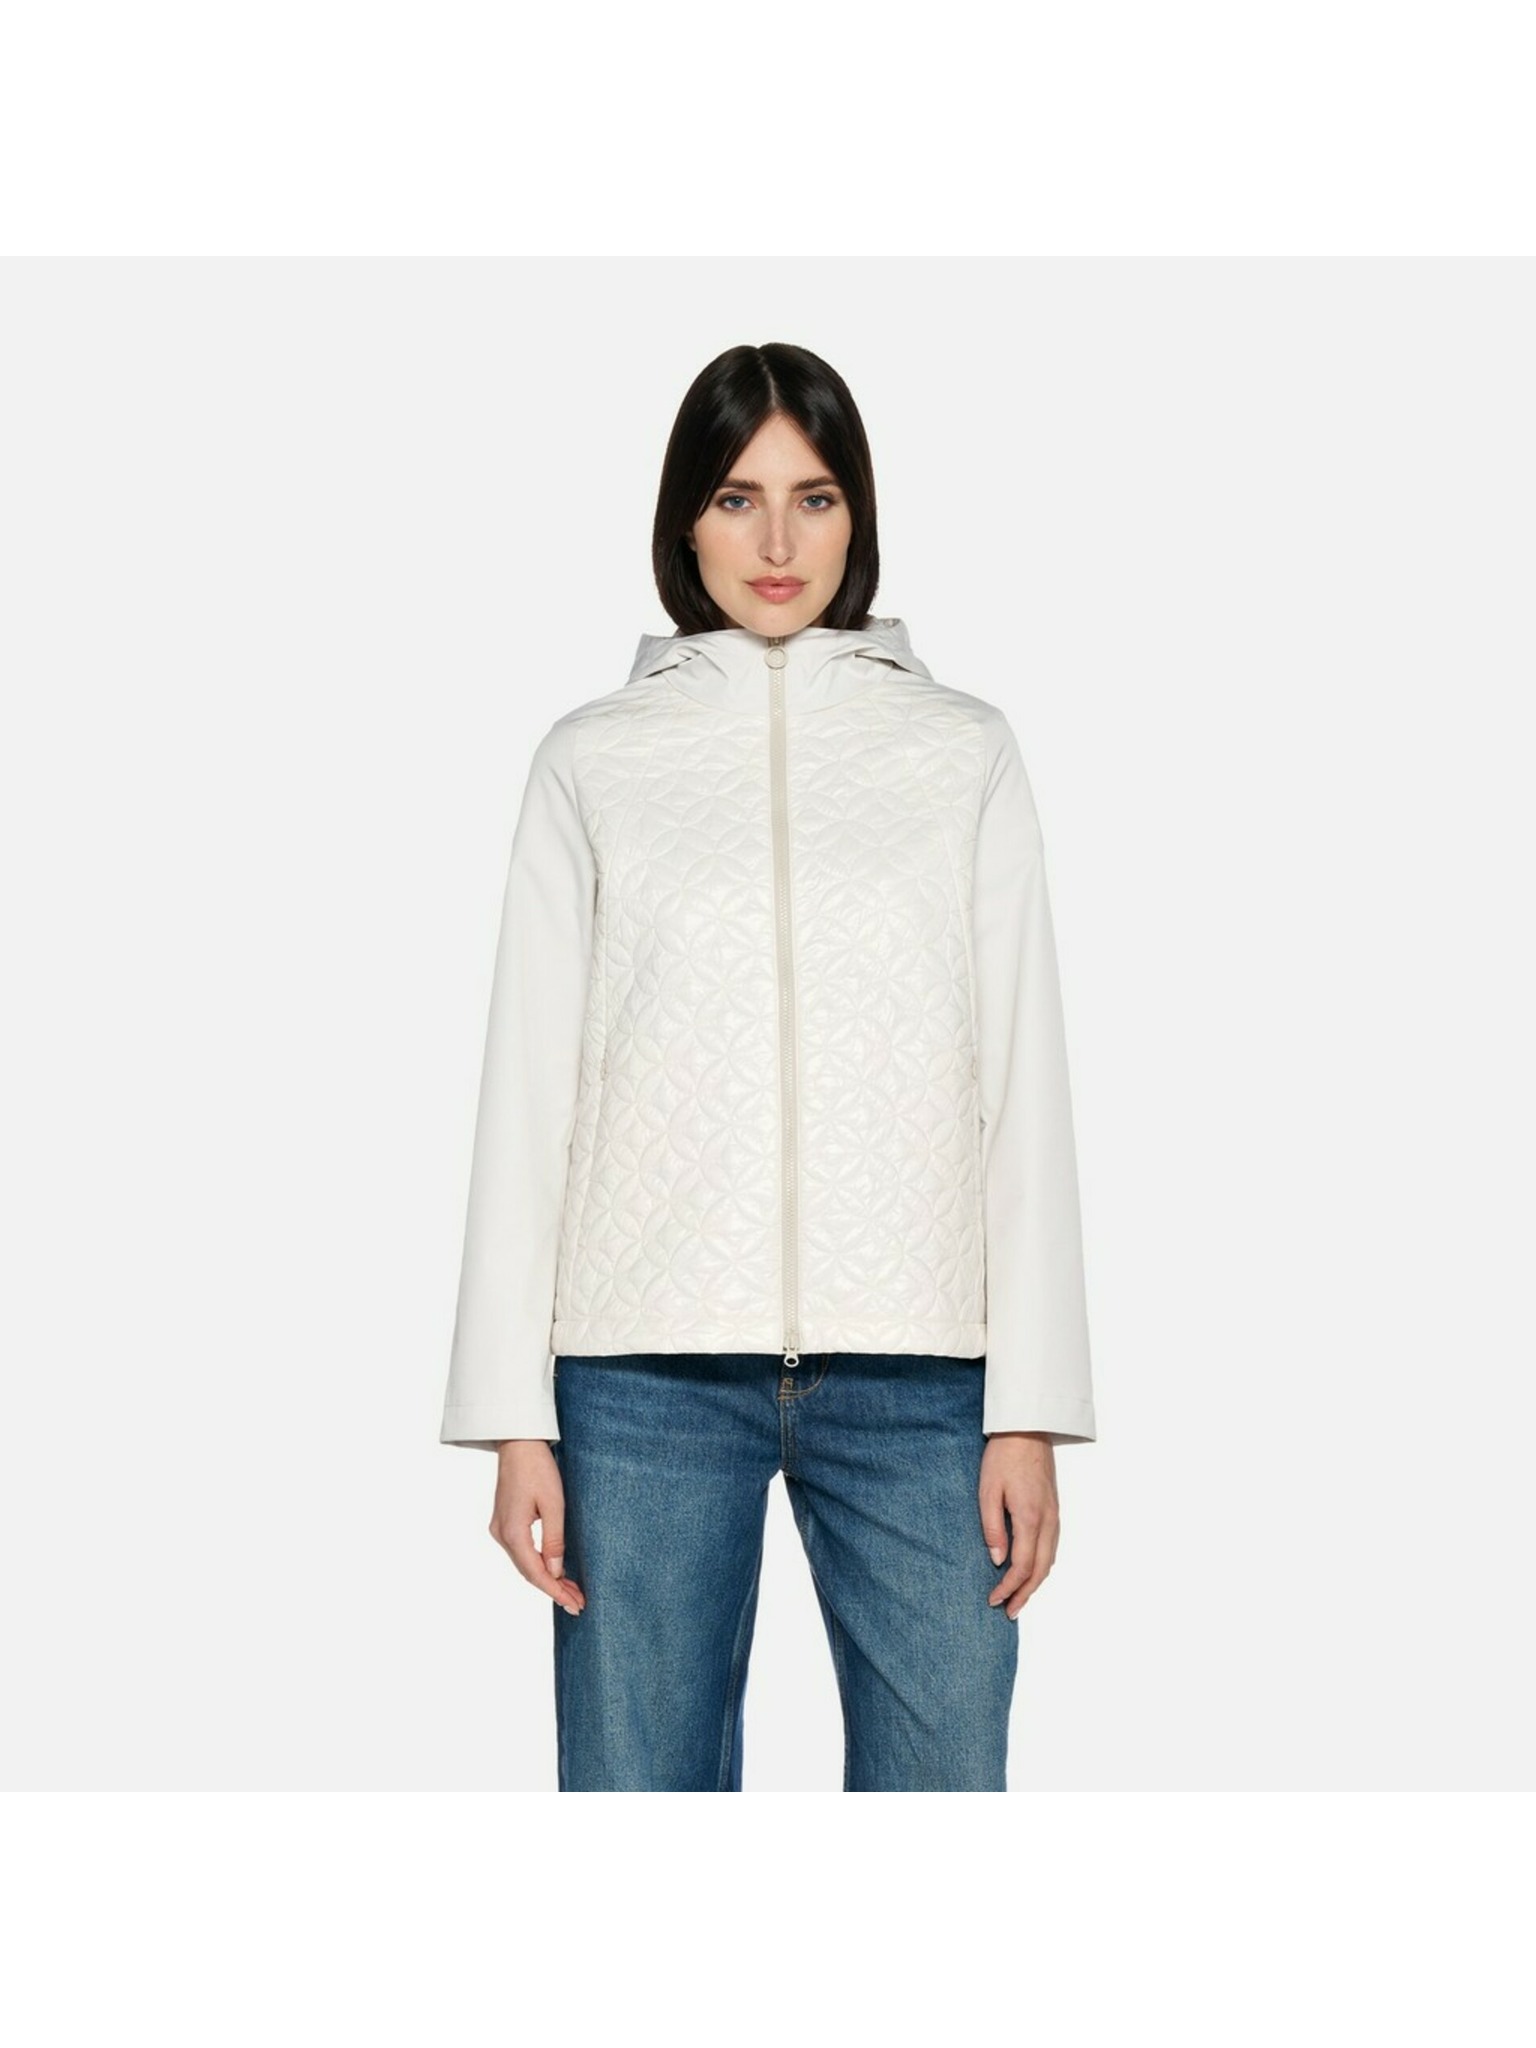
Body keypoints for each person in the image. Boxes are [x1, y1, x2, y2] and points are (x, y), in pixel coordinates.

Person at [439, 341, 1098, 1791]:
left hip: (923, 1382)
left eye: (815, 498)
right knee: (639, 1803)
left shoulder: (962, 753)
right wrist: (511, 1417)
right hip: (642, 1381)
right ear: (685, 521)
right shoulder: (593, 759)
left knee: (944, 1794)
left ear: (861, 515)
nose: (779, 543)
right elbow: (528, 1094)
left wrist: (1031, 1405)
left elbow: (1023, 1085)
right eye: (738, 499)